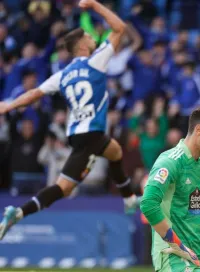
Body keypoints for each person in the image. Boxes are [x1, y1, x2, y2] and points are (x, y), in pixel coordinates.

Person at [0, 0, 140, 239]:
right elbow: (120, 28)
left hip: (77, 136)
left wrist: (9, 104)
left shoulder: (62, 75)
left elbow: (34, 94)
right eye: (88, 35)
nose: (92, 35)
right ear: (82, 45)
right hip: (92, 134)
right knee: (102, 161)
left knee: (67, 185)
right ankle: (128, 198)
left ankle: (18, 213)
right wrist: (95, 5)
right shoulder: (97, 61)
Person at [140, 105, 200, 272]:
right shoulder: (170, 162)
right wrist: (177, 245)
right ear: (199, 130)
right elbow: (148, 204)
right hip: (174, 257)